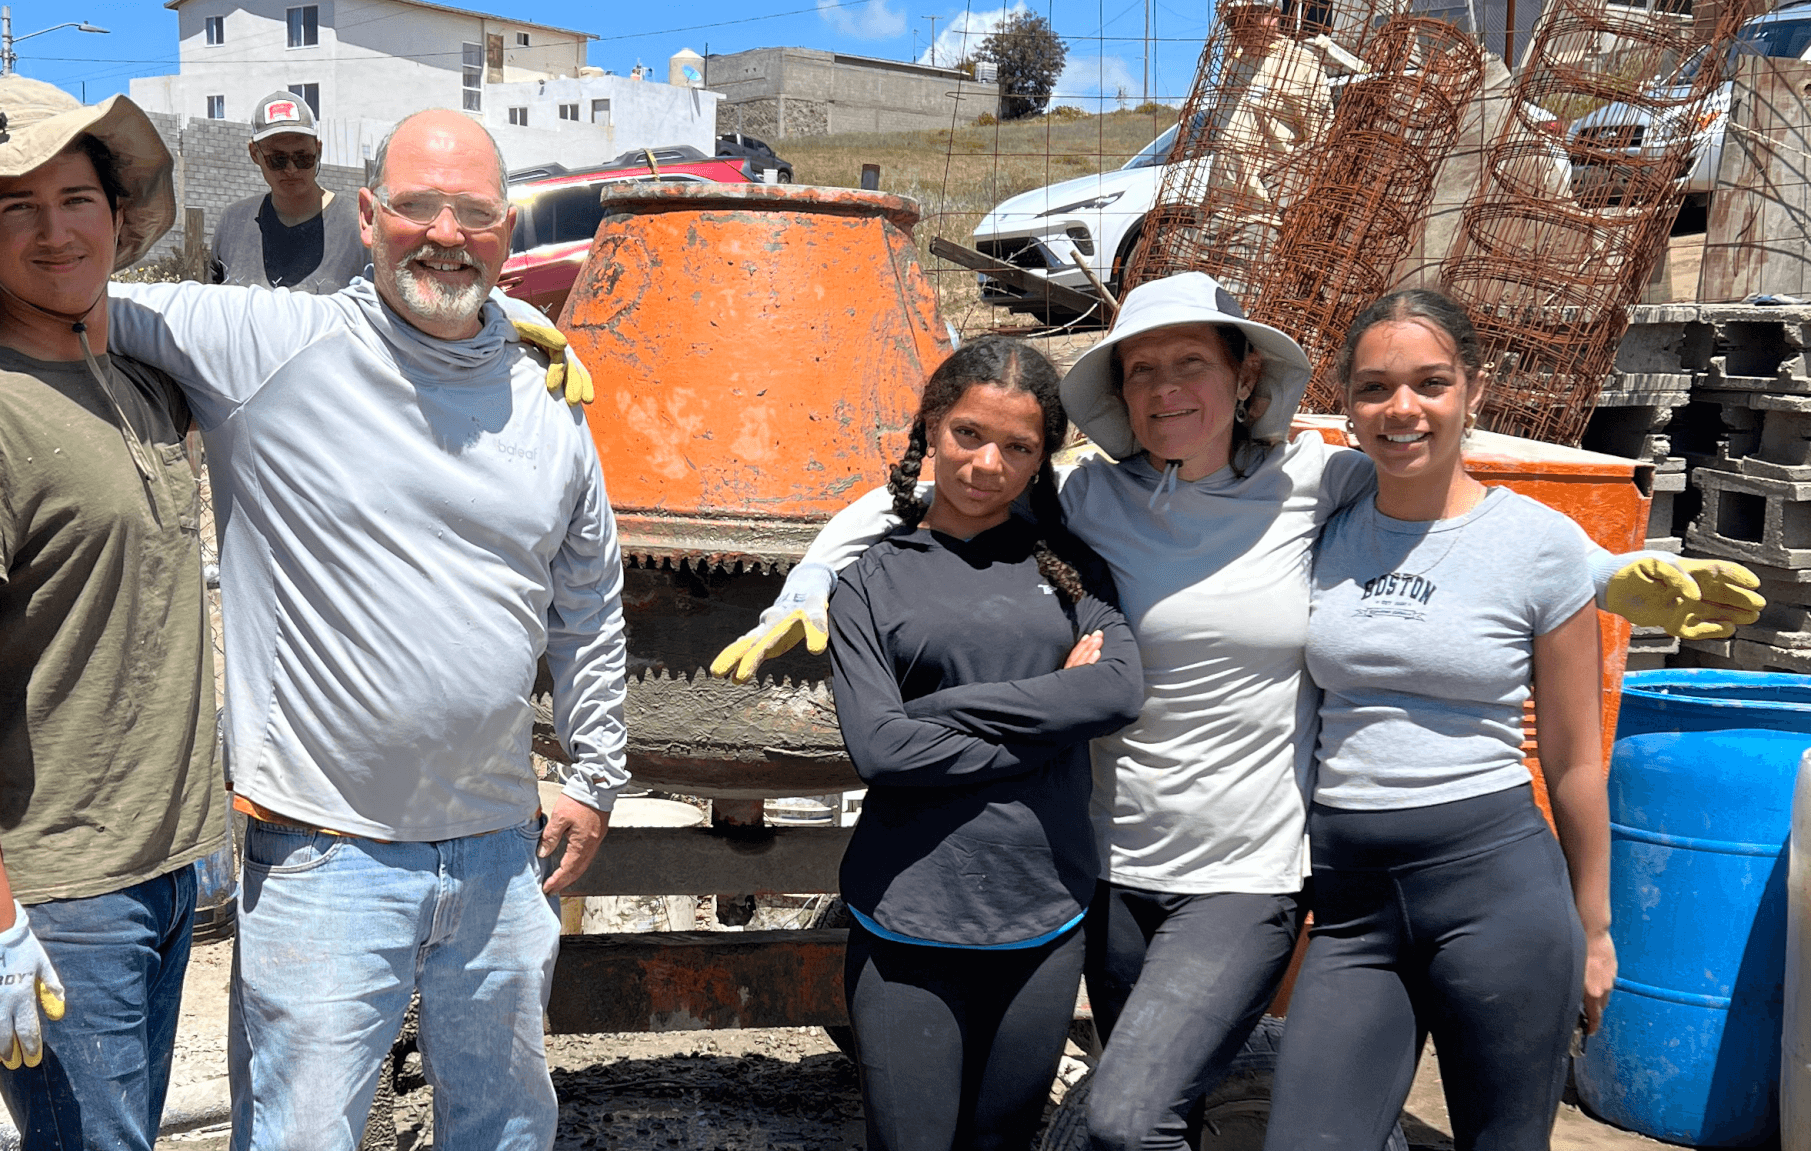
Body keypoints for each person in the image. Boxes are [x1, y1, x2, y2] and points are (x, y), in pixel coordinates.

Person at [711, 271, 1762, 1151]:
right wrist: (810, 583)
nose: (1166, 389)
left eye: (1190, 364)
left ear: (1241, 376)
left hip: (1247, 867)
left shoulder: (1320, 478)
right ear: (1120, 390)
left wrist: (1608, 572)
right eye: (1141, 369)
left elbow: (1461, 507)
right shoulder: (1086, 495)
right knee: (1175, 1109)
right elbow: (931, 486)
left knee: (1122, 1117)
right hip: (1110, 869)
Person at [0, 106, 624, 1151]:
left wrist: (594, 769)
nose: (444, 234)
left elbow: (588, 598)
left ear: (508, 229)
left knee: (503, 1126)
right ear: (366, 218)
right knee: (297, 1132)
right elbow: (76, 294)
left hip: (500, 850)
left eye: (471, 214)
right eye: (415, 208)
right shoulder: (268, 344)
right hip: (325, 853)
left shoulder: (547, 405)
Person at [0, 75, 225, 1150]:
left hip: (164, 863)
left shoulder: (141, 378)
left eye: (73, 198)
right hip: (62, 889)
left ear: (117, 213)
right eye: (14, 209)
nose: (52, 231)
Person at [1265, 290, 1614, 1151]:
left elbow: (1574, 758)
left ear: (1472, 391)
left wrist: (1596, 926)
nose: (1403, 409)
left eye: (1430, 383)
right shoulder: (1324, 526)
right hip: (1349, 905)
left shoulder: (1541, 543)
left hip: (1496, 891)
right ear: (1345, 400)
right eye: (1376, 387)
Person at [828, 337, 1144, 1151]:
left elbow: (1116, 689)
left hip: (1042, 918)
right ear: (933, 425)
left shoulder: (1071, 568)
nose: (988, 462)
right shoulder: (871, 578)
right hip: (906, 919)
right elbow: (881, 749)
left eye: (1018, 446)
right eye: (969, 433)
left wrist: (948, 711)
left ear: (1044, 458)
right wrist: (1051, 720)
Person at [209, 91, 369, 292]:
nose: (291, 169)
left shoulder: (358, 226)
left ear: (318, 150)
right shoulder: (232, 223)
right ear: (254, 154)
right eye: (277, 159)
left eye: (303, 158)